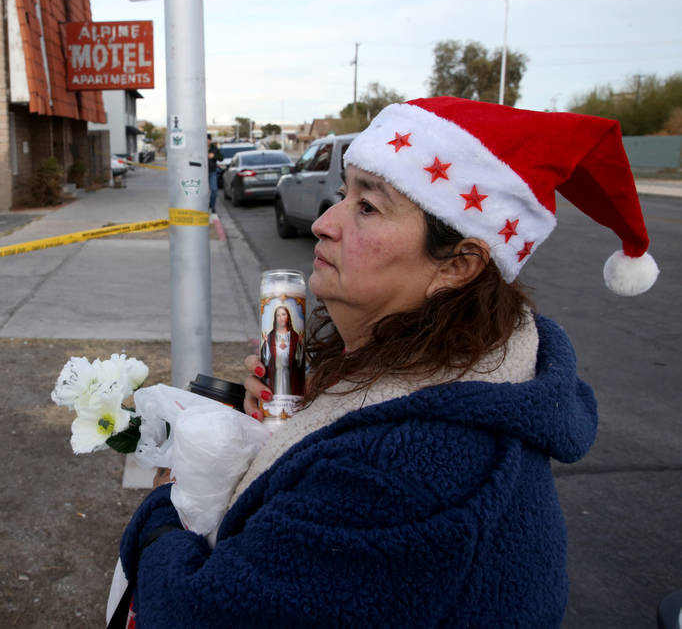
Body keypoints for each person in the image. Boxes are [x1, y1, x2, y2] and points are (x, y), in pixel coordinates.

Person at [117, 97, 658, 627]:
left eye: (368, 207)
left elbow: (193, 611)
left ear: (460, 264)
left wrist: (173, 496)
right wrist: (298, 426)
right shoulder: (462, 372)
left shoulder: (404, 471)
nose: (324, 223)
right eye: (342, 195)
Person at [258, 304, 304, 399]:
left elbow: (299, 361)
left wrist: (299, 344)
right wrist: (266, 343)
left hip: (290, 373)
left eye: (283, 314)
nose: (281, 318)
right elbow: (266, 360)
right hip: (276, 373)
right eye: (278, 315)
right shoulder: (271, 336)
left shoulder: (294, 336)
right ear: (275, 318)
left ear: (288, 316)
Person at [207, 134, 223, 214]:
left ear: (210, 140)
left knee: (214, 190)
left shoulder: (214, 148)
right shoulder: (199, 147)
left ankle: (212, 206)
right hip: (201, 173)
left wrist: (214, 156)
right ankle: (203, 206)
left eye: (207, 139)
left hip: (212, 172)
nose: (206, 141)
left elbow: (221, 158)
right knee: (202, 192)